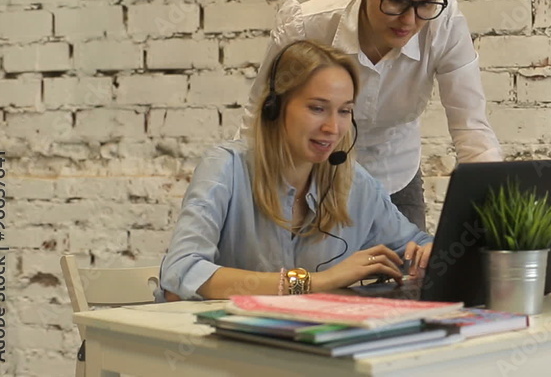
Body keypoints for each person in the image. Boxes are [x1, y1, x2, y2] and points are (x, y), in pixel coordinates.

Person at [240, 0, 502, 232]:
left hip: (396, 175)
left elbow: (471, 130)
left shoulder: (444, 26)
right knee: (315, 280)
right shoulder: (309, 27)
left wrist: (504, 230)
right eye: (395, 1)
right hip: (311, 175)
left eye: (425, 4)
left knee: (410, 276)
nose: (409, 20)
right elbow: (259, 114)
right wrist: (238, 200)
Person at [158, 40, 432, 300]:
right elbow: (181, 273)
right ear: (274, 108)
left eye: (344, 111)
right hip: (225, 344)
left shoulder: (354, 183)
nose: (332, 128)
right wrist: (317, 281)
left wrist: (428, 252)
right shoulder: (227, 168)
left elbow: (416, 243)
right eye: (317, 108)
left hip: (309, 341)